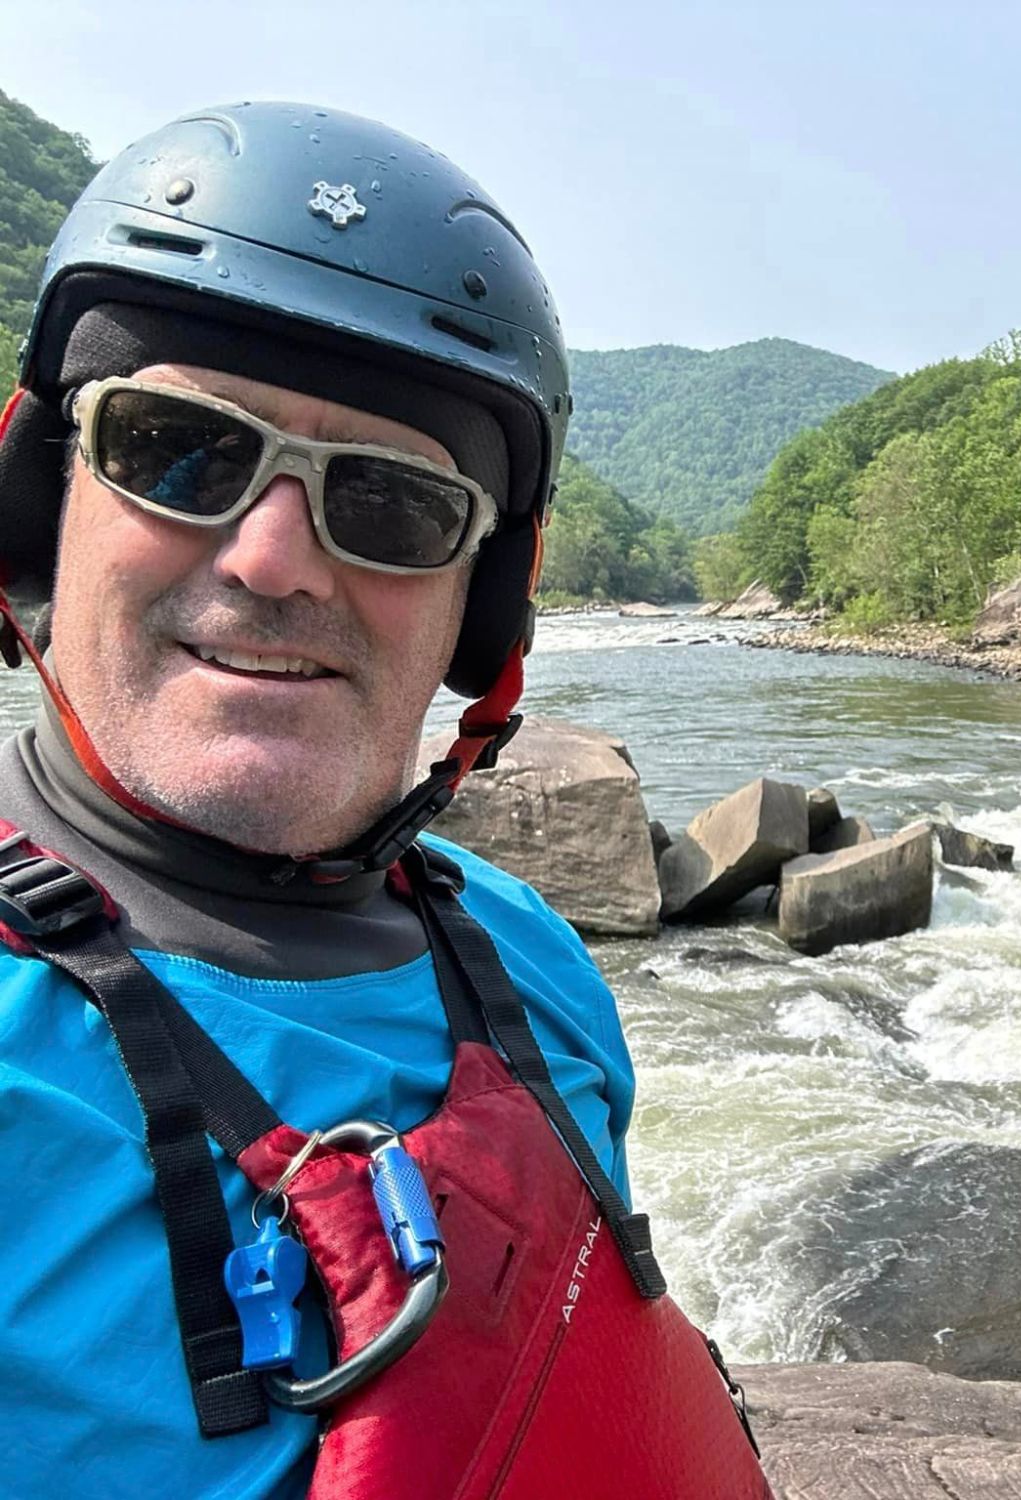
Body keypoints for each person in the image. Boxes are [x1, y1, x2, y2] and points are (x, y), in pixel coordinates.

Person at [0, 103, 772, 1498]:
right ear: (38, 497)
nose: (273, 558)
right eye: (179, 448)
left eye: (394, 504)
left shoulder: (533, 961)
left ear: (481, 610)